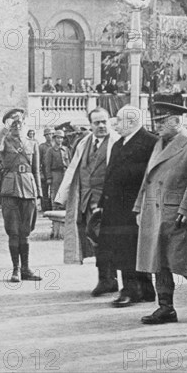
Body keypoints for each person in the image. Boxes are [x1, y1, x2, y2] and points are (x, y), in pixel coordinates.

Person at [133, 102, 187, 324]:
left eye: (162, 121)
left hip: (178, 214)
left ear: (177, 121)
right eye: (156, 121)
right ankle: (166, 308)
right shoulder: (160, 143)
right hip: (155, 211)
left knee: (182, 260)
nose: (156, 126)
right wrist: (139, 206)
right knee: (157, 260)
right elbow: (148, 178)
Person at [55, 107, 121, 296]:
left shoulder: (116, 142)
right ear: (90, 125)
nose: (101, 126)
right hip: (86, 200)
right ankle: (105, 279)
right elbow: (74, 170)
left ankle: (113, 279)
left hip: (108, 201)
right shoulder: (84, 143)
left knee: (111, 240)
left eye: (104, 122)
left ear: (110, 122)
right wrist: (63, 197)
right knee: (94, 240)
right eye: (96, 122)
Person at [98, 106, 157, 308]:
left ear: (131, 122)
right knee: (122, 248)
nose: (115, 124)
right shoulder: (119, 143)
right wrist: (101, 203)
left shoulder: (150, 142)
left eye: (119, 120)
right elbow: (110, 174)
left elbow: (151, 176)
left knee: (132, 249)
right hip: (115, 206)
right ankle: (142, 289)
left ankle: (133, 290)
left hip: (134, 206)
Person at [0, 109, 42, 282]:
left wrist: (39, 193)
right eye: (13, 122)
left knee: (25, 231)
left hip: (29, 188)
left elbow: (36, 170)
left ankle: (26, 268)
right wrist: (4, 129)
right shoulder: (4, 141)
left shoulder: (32, 143)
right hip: (10, 188)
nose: (17, 125)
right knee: (13, 231)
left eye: (20, 122)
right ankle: (16, 270)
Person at [43, 130, 69, 210]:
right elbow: (47, 165)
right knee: (55, 192)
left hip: (65, 173)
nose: (60, 140)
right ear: (54, 139)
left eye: (61, 138)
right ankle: (55, 209)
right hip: (55, 174)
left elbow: (70, 162)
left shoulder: (66, 149)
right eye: (58, 138)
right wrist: (49, 177)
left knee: (65, 192)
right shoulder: (50, 150)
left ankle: (64, 209)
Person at [38, 128, 54, 212]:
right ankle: (45, 207)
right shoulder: (42, 147)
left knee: (53, 190)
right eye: (47, 134)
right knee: (44, 190)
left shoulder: (55, 145)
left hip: (53, 171)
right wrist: (41, 173)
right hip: (44, 170)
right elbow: (38, 161)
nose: (49, 136)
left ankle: (52, 206)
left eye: (50, 134)